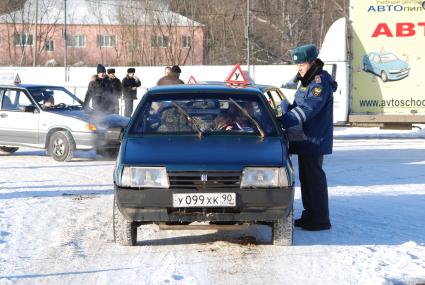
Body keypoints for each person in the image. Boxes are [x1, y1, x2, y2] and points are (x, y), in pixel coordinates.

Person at [278, 44, 337, 231]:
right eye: (297, 65)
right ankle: (310, 214)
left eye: (302, 64)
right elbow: (299, 104)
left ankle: (320, 219)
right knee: (307, 178)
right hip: (305, 139)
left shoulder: (319, 82)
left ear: (312, 62)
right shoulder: (307, 80)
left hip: (314, 138)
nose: (299, 68)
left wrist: (284, 120)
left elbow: (308, 108)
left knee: (314, 178)